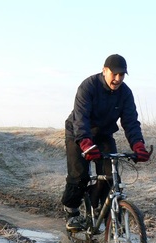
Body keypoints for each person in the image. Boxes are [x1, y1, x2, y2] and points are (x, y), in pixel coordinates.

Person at [61, 54, 151, 231]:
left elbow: (131, 122)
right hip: (78, 134)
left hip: (103, 135)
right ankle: (71, 211)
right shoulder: (88, 86)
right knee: (79, 176)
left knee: (110, 177)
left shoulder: (125, 93)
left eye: (122, 75)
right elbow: (81, 118)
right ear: (104, 71)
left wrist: (138, 145)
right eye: (114, 74)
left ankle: (96, 208)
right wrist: (85, 143)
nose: (118, 79)